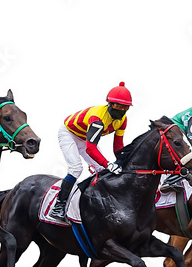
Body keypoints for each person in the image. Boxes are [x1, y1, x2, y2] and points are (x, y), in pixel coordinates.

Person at [50, 82, 132, 219]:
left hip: (85, 138)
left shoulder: (122, 120)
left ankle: (97, 203)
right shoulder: (98, 119)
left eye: (125, 107)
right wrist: (108, 164)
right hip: (69, 134)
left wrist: (121, 162)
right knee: (76, 168)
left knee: (101, 170)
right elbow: (90, 148)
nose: (121, 110)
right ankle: (58, 205)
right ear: (110, 104)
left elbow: (118, 146)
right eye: (118, 106)